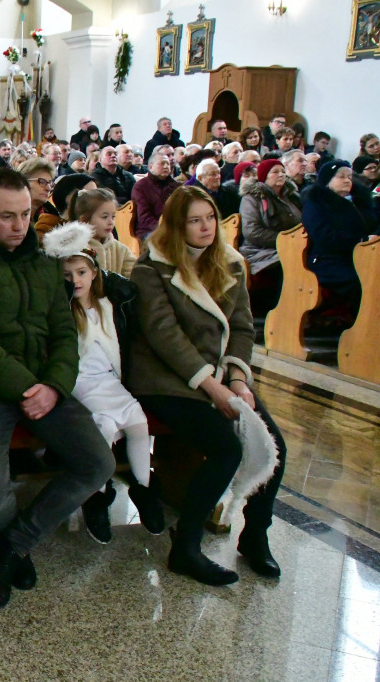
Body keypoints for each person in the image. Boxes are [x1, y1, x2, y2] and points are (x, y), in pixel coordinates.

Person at [0, 168, 115, 607]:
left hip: (45, 385)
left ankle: (11, 545)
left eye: (26, 215)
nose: (20, 227)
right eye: (8, 217)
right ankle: (13, 544)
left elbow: (62, 332)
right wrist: (28, 387)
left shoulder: (44, 262)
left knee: (97, 463)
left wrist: (53, 385)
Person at [128, 185, 286, 586]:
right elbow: (164, 336)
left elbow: (243, 328)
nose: (205, 227)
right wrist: (215, 389)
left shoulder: (229, 263)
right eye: (194, 220)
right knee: (225, 446)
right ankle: (186, 546)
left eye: (210, 218)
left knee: (275, 444)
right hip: (165, 378)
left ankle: (255, 537)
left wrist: (236, 377)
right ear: (177, 226)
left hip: (218, 374)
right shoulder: (153, 268)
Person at [42, 222, 161, 534]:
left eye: (82, 272)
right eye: (68, 275)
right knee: (104, 426)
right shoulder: (63, 310)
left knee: (138, 424)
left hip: (109, 380)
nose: (75, 280)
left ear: (94, 273)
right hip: (81, 383)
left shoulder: (108, 305)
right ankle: (99, 494)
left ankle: (143, 488)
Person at [301, 160, 380, 312]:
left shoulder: (360, 200)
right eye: (341, 176)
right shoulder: (316, 203)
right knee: (363, 281)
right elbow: (323, 236)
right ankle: (360, 327)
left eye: (349, 176)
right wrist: (361, 242)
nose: (347, 180)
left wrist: (375, 235)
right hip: (330, 259)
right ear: (327, 181)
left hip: (367, 255)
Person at [239, 159, 302, 300]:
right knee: (289, 260)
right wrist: (284, 240)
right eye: (275, 172)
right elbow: (251, 231)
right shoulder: (252, 198)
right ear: (264, 176)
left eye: (283, 172)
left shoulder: (292, 197)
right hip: (260, 250)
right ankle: (282, 305)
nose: (281, 175)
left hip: (292, 245)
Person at [64, 187, 135, 278]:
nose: (110, 222)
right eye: (104, 217)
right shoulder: (74, 249)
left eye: (113, 217)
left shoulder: (120, 249)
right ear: (85, 220)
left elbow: (133, 276)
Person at [132, 151, 180, 240]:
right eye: (162, 164)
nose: (166, 166)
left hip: (176, 228)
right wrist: (165, 228)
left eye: (168, 164)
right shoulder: (141, 186)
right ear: (150, 167)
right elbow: (144, 216)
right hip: (149, 230)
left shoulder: (177, 186)